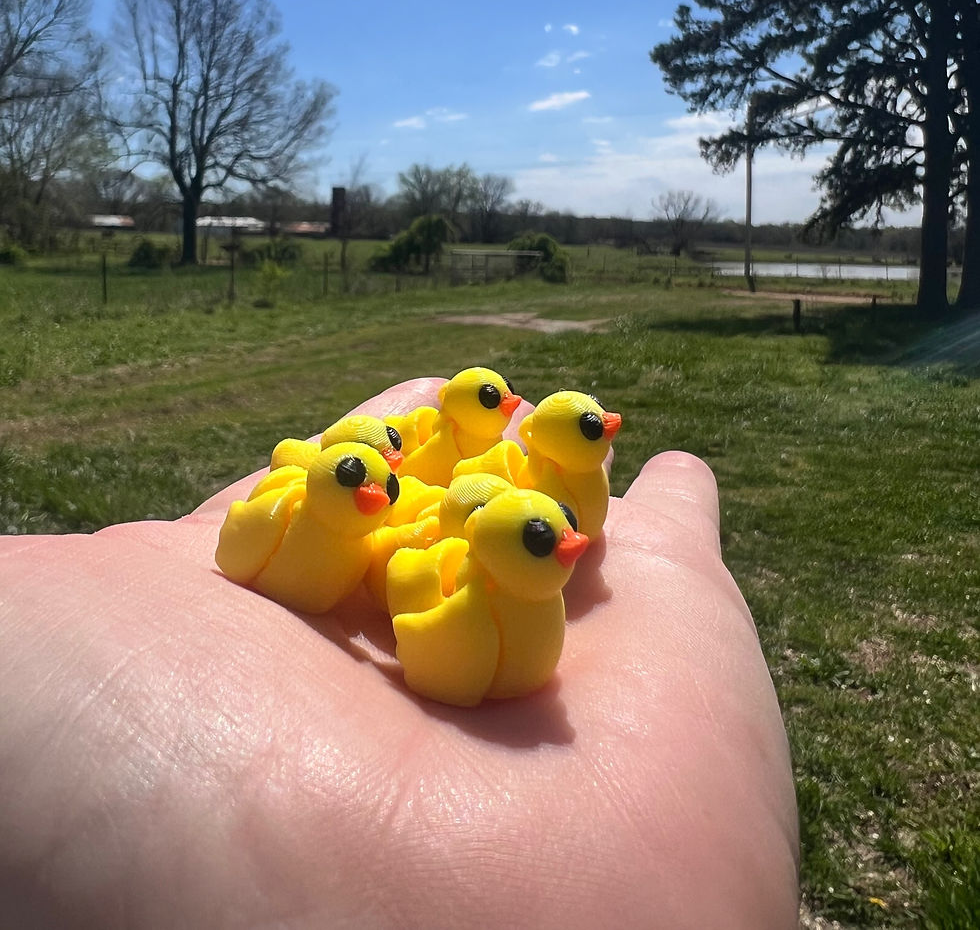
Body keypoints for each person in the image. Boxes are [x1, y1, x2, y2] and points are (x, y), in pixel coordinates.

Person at [0, 379, 799, 929]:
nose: (568, 541)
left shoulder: (463, 560)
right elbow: (395, 580)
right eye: (545, 533)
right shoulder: (323, 537)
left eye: (555, 528)